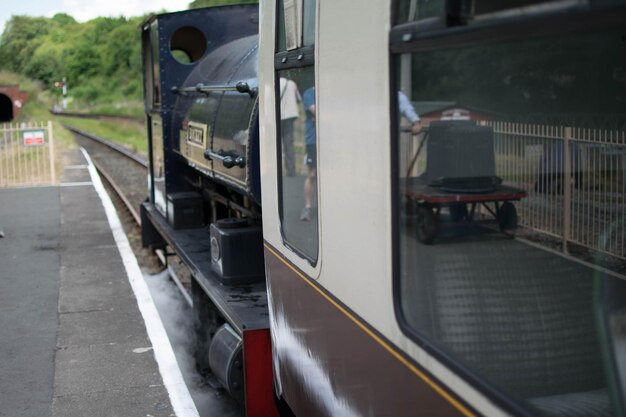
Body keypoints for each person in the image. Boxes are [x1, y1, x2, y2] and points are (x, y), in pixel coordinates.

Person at [279, 77, 301, 176]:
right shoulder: (292, 83)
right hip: (290, 116)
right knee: (289, 145)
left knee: (276, 145)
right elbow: (298, 99)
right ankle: (291, 171)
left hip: (279, 117)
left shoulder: (275, 82)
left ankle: (277, 170)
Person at [300, 86, 316, 221]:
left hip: (331, 140)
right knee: (312, 175)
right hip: (313, 141)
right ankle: (308, 207)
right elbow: (316, 111)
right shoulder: (309, 93)